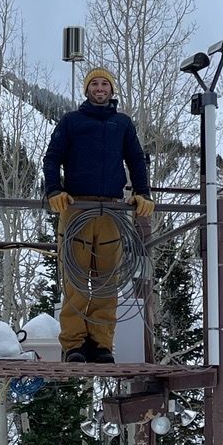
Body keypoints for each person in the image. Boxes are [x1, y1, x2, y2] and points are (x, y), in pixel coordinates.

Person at [43, 67, 154, 363]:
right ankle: (74, 345)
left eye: (105, 84)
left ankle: (101, 344)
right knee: (75, 281)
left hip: (112, 210)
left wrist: (142, 193)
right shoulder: (71, 121)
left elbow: (136, 159)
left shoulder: (122, 124)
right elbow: (52, 157)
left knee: (107, 282)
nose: (100, 88)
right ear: (87, 89)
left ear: (111, 90)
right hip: (76, 208)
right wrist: (54, 191)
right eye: (95, 83)